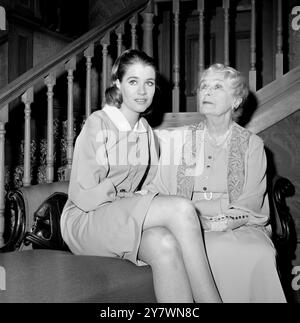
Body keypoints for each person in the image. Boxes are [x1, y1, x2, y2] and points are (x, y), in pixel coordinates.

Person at [60, 49, 222, 303]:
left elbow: (148, 186)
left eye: (149, 83)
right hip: (86, 219)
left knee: (164, 244)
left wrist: (140, 198)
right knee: (181, 209)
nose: (142, 91)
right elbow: (85, 194)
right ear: (118, 84)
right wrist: (131, 199)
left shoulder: (145, 131)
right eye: (133, 82)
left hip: (120, 216)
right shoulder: (98, 123)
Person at [146, 63, 286, 303]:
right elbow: (158, 188)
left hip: (237, 227)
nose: (206, 92)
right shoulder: (178, 139)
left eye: (217, 86)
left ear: (235, 101)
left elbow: (250, 203)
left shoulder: (252, 145)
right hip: (186, 227)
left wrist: (213, 224)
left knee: (257, 253)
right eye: (203, 86)